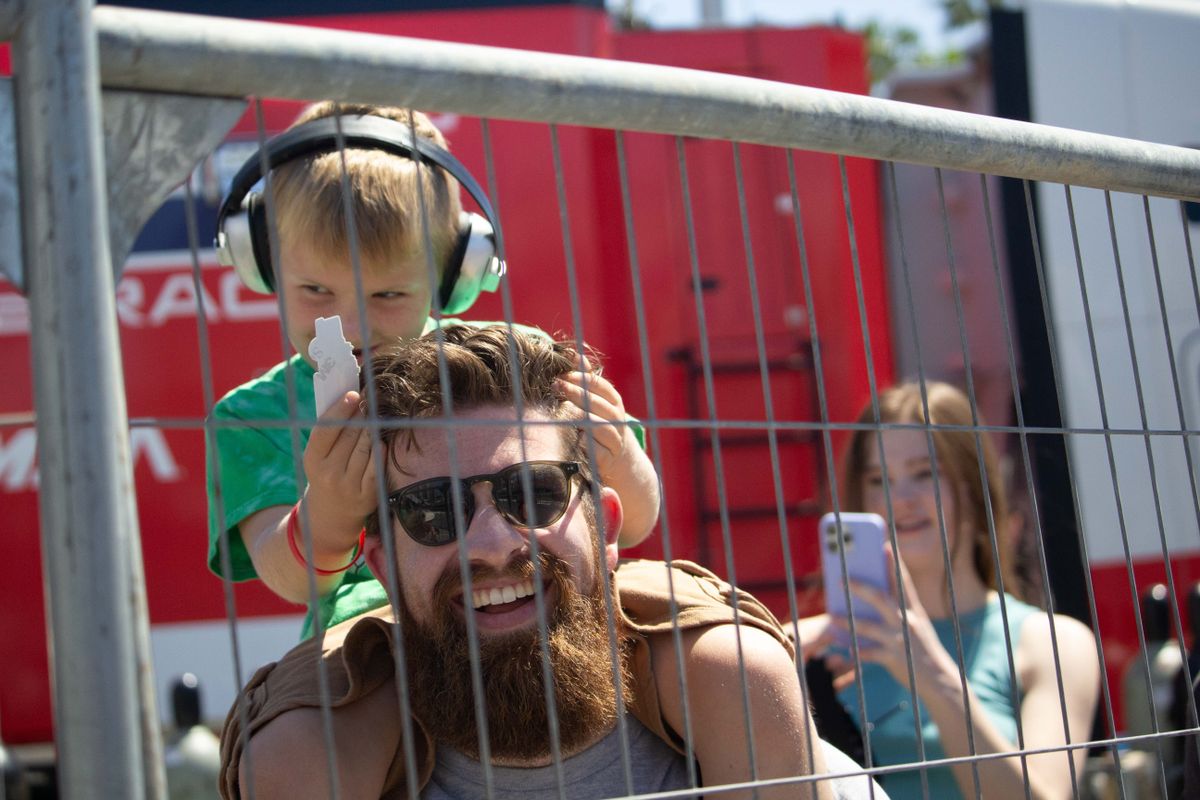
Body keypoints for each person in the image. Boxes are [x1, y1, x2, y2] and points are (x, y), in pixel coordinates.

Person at [219, 325, 888, 800]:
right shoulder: (307, 760)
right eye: (432, 510)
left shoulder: (731, 688)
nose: (490, 543)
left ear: (610, 531)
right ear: (382, 567)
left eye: (534, 493)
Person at [205, 101, 660, 637]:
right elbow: (290, 580)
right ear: (262, 265)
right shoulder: (252, 417)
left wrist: (623, 460)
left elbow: (633, 522)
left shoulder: (513, 364)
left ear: (452, 276)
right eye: (315, 290)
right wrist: (327, 510)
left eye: (389, 293)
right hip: (374, 651)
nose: (351, 324)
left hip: (543, 615)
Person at [800, 381, 1099, 800]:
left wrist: (933, 674)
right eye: (878, 479)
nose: (900, 498)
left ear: (972, 486)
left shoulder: (1055, 643)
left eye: (925, 473)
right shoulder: (813, 642)